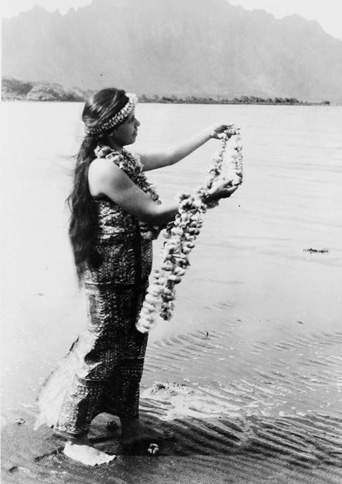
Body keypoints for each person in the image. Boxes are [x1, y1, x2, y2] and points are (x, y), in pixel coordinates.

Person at [35, 88, 237, 466]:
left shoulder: (123, 159)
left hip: (133, 267)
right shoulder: (105, 169)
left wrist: (210, 132)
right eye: (131, 120)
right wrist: (208, 195)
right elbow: (155, 212)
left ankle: (130, 426)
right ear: (112, 129)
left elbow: (172, 155)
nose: (138, 124)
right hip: (109, 273)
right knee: (104, 347)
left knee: (132, 346)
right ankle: (74, 437)